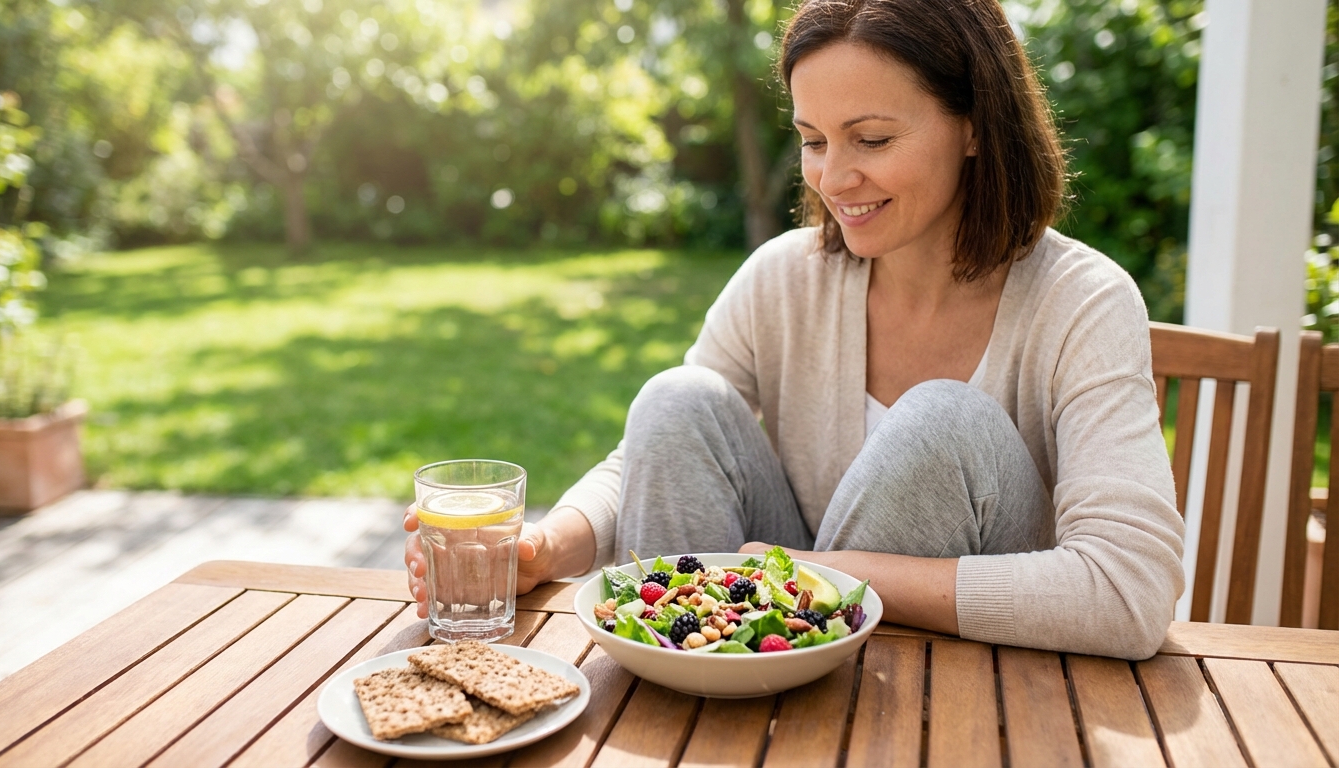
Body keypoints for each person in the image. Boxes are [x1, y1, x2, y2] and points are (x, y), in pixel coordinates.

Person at [405, 0, 1185, 659]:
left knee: (943, 420)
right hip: (777, 655)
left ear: (976, 126)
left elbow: (1130, 589)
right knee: (676, 400)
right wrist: (545, 549)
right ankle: (689, 712)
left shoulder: (1083, 301)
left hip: (966, 685)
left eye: (871, 140)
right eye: (814, 140)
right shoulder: (786, 276)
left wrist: (830, 574)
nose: (833, 178)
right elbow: (651, 458)